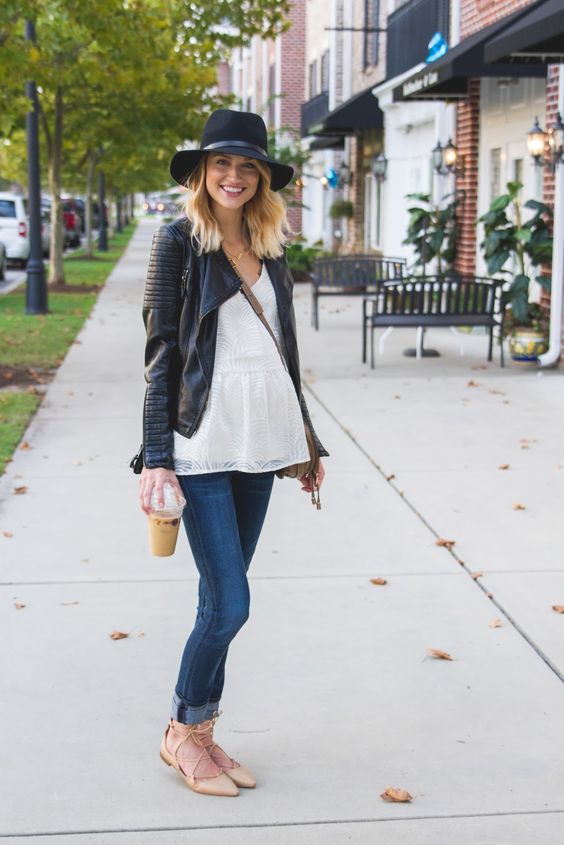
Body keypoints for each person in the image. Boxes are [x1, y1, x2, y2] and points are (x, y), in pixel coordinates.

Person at [137, 109, 329, 797]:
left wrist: (305, 438)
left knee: (217, 595)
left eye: (247, 166)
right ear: (200, 172)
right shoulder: (178, 242)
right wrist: (156, 455)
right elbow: (162, 355)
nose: (234, 176)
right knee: (231, 604)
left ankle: (203, 729)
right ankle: (181, 730)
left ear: (262, 179)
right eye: (222, 163)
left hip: (262, 439)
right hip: (201, 441)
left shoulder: (271, 245)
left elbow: (284, 353)